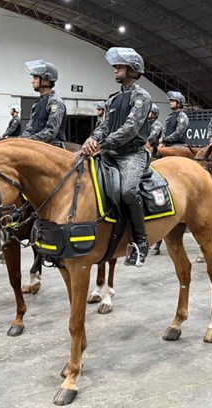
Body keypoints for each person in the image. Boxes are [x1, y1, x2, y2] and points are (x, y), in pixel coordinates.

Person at [82, 47, 152, 267]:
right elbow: (103, 126)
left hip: (131, 155)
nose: (115, 70)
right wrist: (92, 139)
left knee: (128, 192)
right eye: (115, 67)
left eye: (119, 67)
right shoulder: (112, 99)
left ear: (132, 70)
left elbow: (130, 129)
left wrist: (103, 143)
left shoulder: (142, 97)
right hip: (110, 153)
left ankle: (141, 242)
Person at [21, 60, 67, 147]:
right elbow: (30, 127)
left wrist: (27, 141)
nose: (32, 81)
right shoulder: (37, 102)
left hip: (51, 148)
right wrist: (20, 140)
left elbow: (50, 132)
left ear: (46, 80)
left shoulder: (55, 102)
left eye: (35, 78)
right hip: (37, 145)